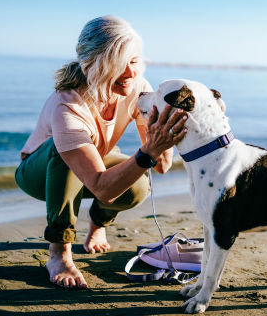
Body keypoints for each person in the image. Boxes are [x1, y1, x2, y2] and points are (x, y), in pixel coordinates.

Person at [15, 16, 187, 289]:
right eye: (119, 64)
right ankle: (59, 254)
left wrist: (163, 126)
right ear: (92, 64)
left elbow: (161, 166)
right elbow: (103, 188)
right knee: (64, 154)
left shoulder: (137, 87)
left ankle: (97, 224)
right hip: (38, 174)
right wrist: (148, 150)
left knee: (138, 186)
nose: (131, 73)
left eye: (134, 61)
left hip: (91, 163)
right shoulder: (68, 106)